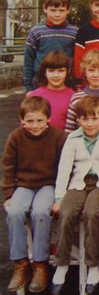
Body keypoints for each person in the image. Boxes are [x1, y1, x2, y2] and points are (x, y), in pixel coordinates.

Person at [51, 96, 99, 295]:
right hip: (78, 183)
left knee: (91, 214)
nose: (89, 123)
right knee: (67, 212)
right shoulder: (72, 138)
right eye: (85, 119)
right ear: (78, 120)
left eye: (94, 118)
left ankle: (93, 265)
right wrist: (59, 198)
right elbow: (64, 169)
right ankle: (62, 263)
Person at [2, 97, 66, 293]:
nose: (35, 125)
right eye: (29, 121)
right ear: (22, 120)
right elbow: (8, 166)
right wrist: (9, 193)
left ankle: (40, 263)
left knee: (40, 213)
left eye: (39, 120)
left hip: (48, 185)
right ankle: (21, 263)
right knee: (14, 212)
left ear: (48, 118)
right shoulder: (16, 137)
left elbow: (65, 167)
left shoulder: (59, 137)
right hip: (24, 185)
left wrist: (60, 195)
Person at [23, 0, 77, 92]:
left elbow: (77, 60)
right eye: (53, 10)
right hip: (40, 83)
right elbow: (28, 60)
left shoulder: (75, 32)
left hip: (67, 84)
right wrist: (28, 87)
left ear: (68, 10)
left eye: (61, 10)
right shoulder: (36, 31)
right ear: (45, 8)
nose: (57, 14)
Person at [27, 51, 75, 130]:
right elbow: (25, 126)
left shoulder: (74, 97)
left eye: (61, 71)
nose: (56, 75)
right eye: (51, 71)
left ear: (68, 71)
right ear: (44, 72)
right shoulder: (34, 96)